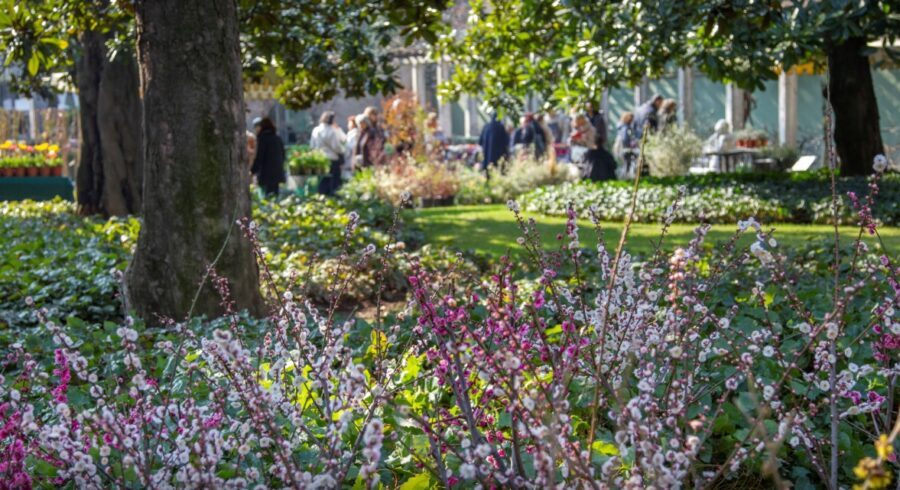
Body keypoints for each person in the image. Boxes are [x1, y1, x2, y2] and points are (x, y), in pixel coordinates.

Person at [310, 111, 346, 195]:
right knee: (334, 180)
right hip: (332, 158)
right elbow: (336, 147)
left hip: (320, 158)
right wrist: (342, 151)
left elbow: (312, 145)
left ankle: (321, 195)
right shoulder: (331, 131)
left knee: (322, 179)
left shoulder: (316, 130)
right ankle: (332, 196)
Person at [251, 117, 286, 196]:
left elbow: (259, 157)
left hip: (266, 174)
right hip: (277, 173)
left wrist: (252, 171)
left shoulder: (262, 139)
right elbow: (283, 155)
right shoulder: (277, 138)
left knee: (266, 197)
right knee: (275, 196)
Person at [613, 112, 638, 176]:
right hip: (624, 148)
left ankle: (624, 176)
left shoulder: (622, 126)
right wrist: (630, 145)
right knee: (626, 164)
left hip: (621, 148)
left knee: (625, 164)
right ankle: (624, 176)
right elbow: (625, 138)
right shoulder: (625, 127)